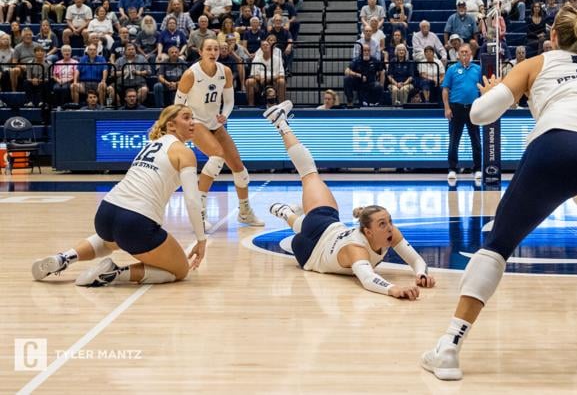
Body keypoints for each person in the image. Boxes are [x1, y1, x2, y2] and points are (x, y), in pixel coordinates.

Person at [421, 4, 577, 386]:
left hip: (558, 144)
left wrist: (497, 91)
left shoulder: (538, 62)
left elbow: (479, 114)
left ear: (554, 37)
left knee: (497, 246)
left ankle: (448, 347)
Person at [264, 100, 435, 298]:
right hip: (326, 228)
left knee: (305, 219)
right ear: (368, 232)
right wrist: (395, 289)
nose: (390, 227)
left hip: (308, 254)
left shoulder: (389, 233)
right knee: (309, 173)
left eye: (389, 221)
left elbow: (416, 260)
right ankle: (280, 123)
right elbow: (368, 279)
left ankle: (287, 213)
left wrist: (421, 273)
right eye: (383, 224)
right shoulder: (356, 248)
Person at [32, 105, 207, 286]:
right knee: (179, 270)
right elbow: (192, 201)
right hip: (136, 221)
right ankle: (113, 273)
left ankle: (64, 257)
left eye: (193, 117)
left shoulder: (151, 144)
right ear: (171, 125)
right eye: (187, 118)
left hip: (106, 213)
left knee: (111, 242)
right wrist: (201, 240)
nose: (193, 122)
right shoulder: (185, 153)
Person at [176, 38, 263, 227]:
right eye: (208, 49)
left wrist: (224, 115)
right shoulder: (191, 74)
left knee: (239, 168)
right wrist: (183, 127)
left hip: (215, 122)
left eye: (216, 48)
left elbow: (229, 101)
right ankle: (199, 213)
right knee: (216, 158)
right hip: (195, 121)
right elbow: (177, 105)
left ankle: (245, 212)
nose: (213, 52)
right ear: (200, 52)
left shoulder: (225, 71)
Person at [442, 43, 482, 183]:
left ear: (471, 54)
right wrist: (447, 108)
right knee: (454, 140)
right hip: (456, 108)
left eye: (466, 52)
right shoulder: (452, 69)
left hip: (473, 108)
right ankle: (452, 169)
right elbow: (445, 89)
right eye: (462, 52)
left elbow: (483, 88)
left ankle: (477, 169)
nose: (464, 54)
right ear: (458, 54)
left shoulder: (478, 69)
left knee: (476, 140)